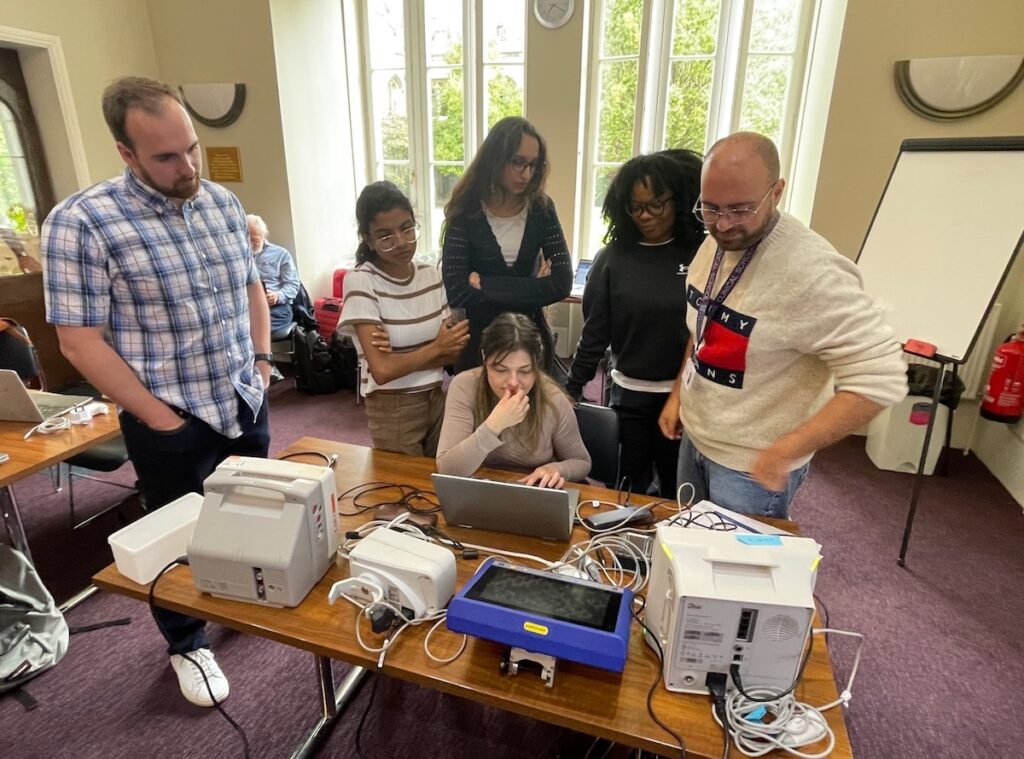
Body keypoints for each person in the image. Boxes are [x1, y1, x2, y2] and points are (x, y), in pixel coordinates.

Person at [41, 76, 272, 707]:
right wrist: (158, 417)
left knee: (251, 516)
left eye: (191, 148)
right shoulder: (81, 223)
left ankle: (245, 598)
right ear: (125, 152)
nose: (187, 166)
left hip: (242, 397)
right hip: (169, 413)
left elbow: (251, 287)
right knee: (177, 538)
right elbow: (79, 342)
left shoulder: (222, 204)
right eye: (166, 157)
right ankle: (186, 643)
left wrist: (261, 358)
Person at [657, 131, 907, 518]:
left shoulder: (812, 273)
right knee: (691, 552)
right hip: (698, 437)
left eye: (740, 209)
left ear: (776, 192)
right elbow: (703, 326)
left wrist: (788, 448)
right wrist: (678, 396)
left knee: (738, 575)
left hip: (751, 469)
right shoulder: (719, 241)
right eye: (710, 208)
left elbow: (882, 377)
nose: (722, 225)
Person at [566, 149, 704, 497]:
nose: (646, 215)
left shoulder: (701, 254)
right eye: (636, 207)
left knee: (679, 491)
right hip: (628, 396)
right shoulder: (612, 259)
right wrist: (573, 385)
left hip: (685, 396)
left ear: (678, 200)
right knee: (627, 490)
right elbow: (595, 333)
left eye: (656, 204)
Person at [339, 181, 469, 456]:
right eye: (385, 235)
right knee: (404, 491)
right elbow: (383, 372)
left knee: (444, 481)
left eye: (407, 228)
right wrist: (435, 348)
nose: (401, 242)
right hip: (393, 407)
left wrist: (404, 357)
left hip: (437, 397)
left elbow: (453, 352)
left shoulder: (430, 275)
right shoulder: (361, 280)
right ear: (368, 239)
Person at [441, 116, 572, 373]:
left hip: (529, 342)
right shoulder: (466, 211)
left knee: (531, 411)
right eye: (517, 162)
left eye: (533, 165)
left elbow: (561, 283)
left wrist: (486, 285)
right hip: (478, 347)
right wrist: (533, 289)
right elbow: (457, 292)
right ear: (495, 159)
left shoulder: (541, 209)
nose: (527, 174)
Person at [437, 312, 591, 488]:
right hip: (477, 488)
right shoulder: (465, 386)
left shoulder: (552, 398)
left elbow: (582, 462)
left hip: (533, 493)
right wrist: (493, 426)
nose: (512, 382)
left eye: (524, 371)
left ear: (536, 364)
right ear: (484, 358)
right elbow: (447, 469)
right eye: (501, 370)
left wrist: (557, 469)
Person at [247, 213, 300, 333]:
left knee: (254, 329)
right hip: (248, 309)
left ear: (263, 235)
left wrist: (277, 296)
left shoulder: (281, 254)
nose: (250, 244)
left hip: (277, 308)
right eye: (247, 239)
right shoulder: (239, 256)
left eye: (254, 240)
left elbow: (293, 285)